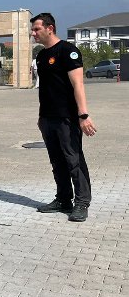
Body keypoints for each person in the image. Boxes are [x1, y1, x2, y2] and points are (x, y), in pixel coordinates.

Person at [31, 13, 96, 222]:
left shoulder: (68, 52)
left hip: (67, 118)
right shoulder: (41, 56)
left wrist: (83, 115)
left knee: (73, 159)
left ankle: (82, 202)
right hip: (48, 118)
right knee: (57, 161)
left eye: (36, 29)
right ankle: (63, 199)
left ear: (50, 28)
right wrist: (41, 117)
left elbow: (78, 85)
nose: (33, 33)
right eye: (33, 30)